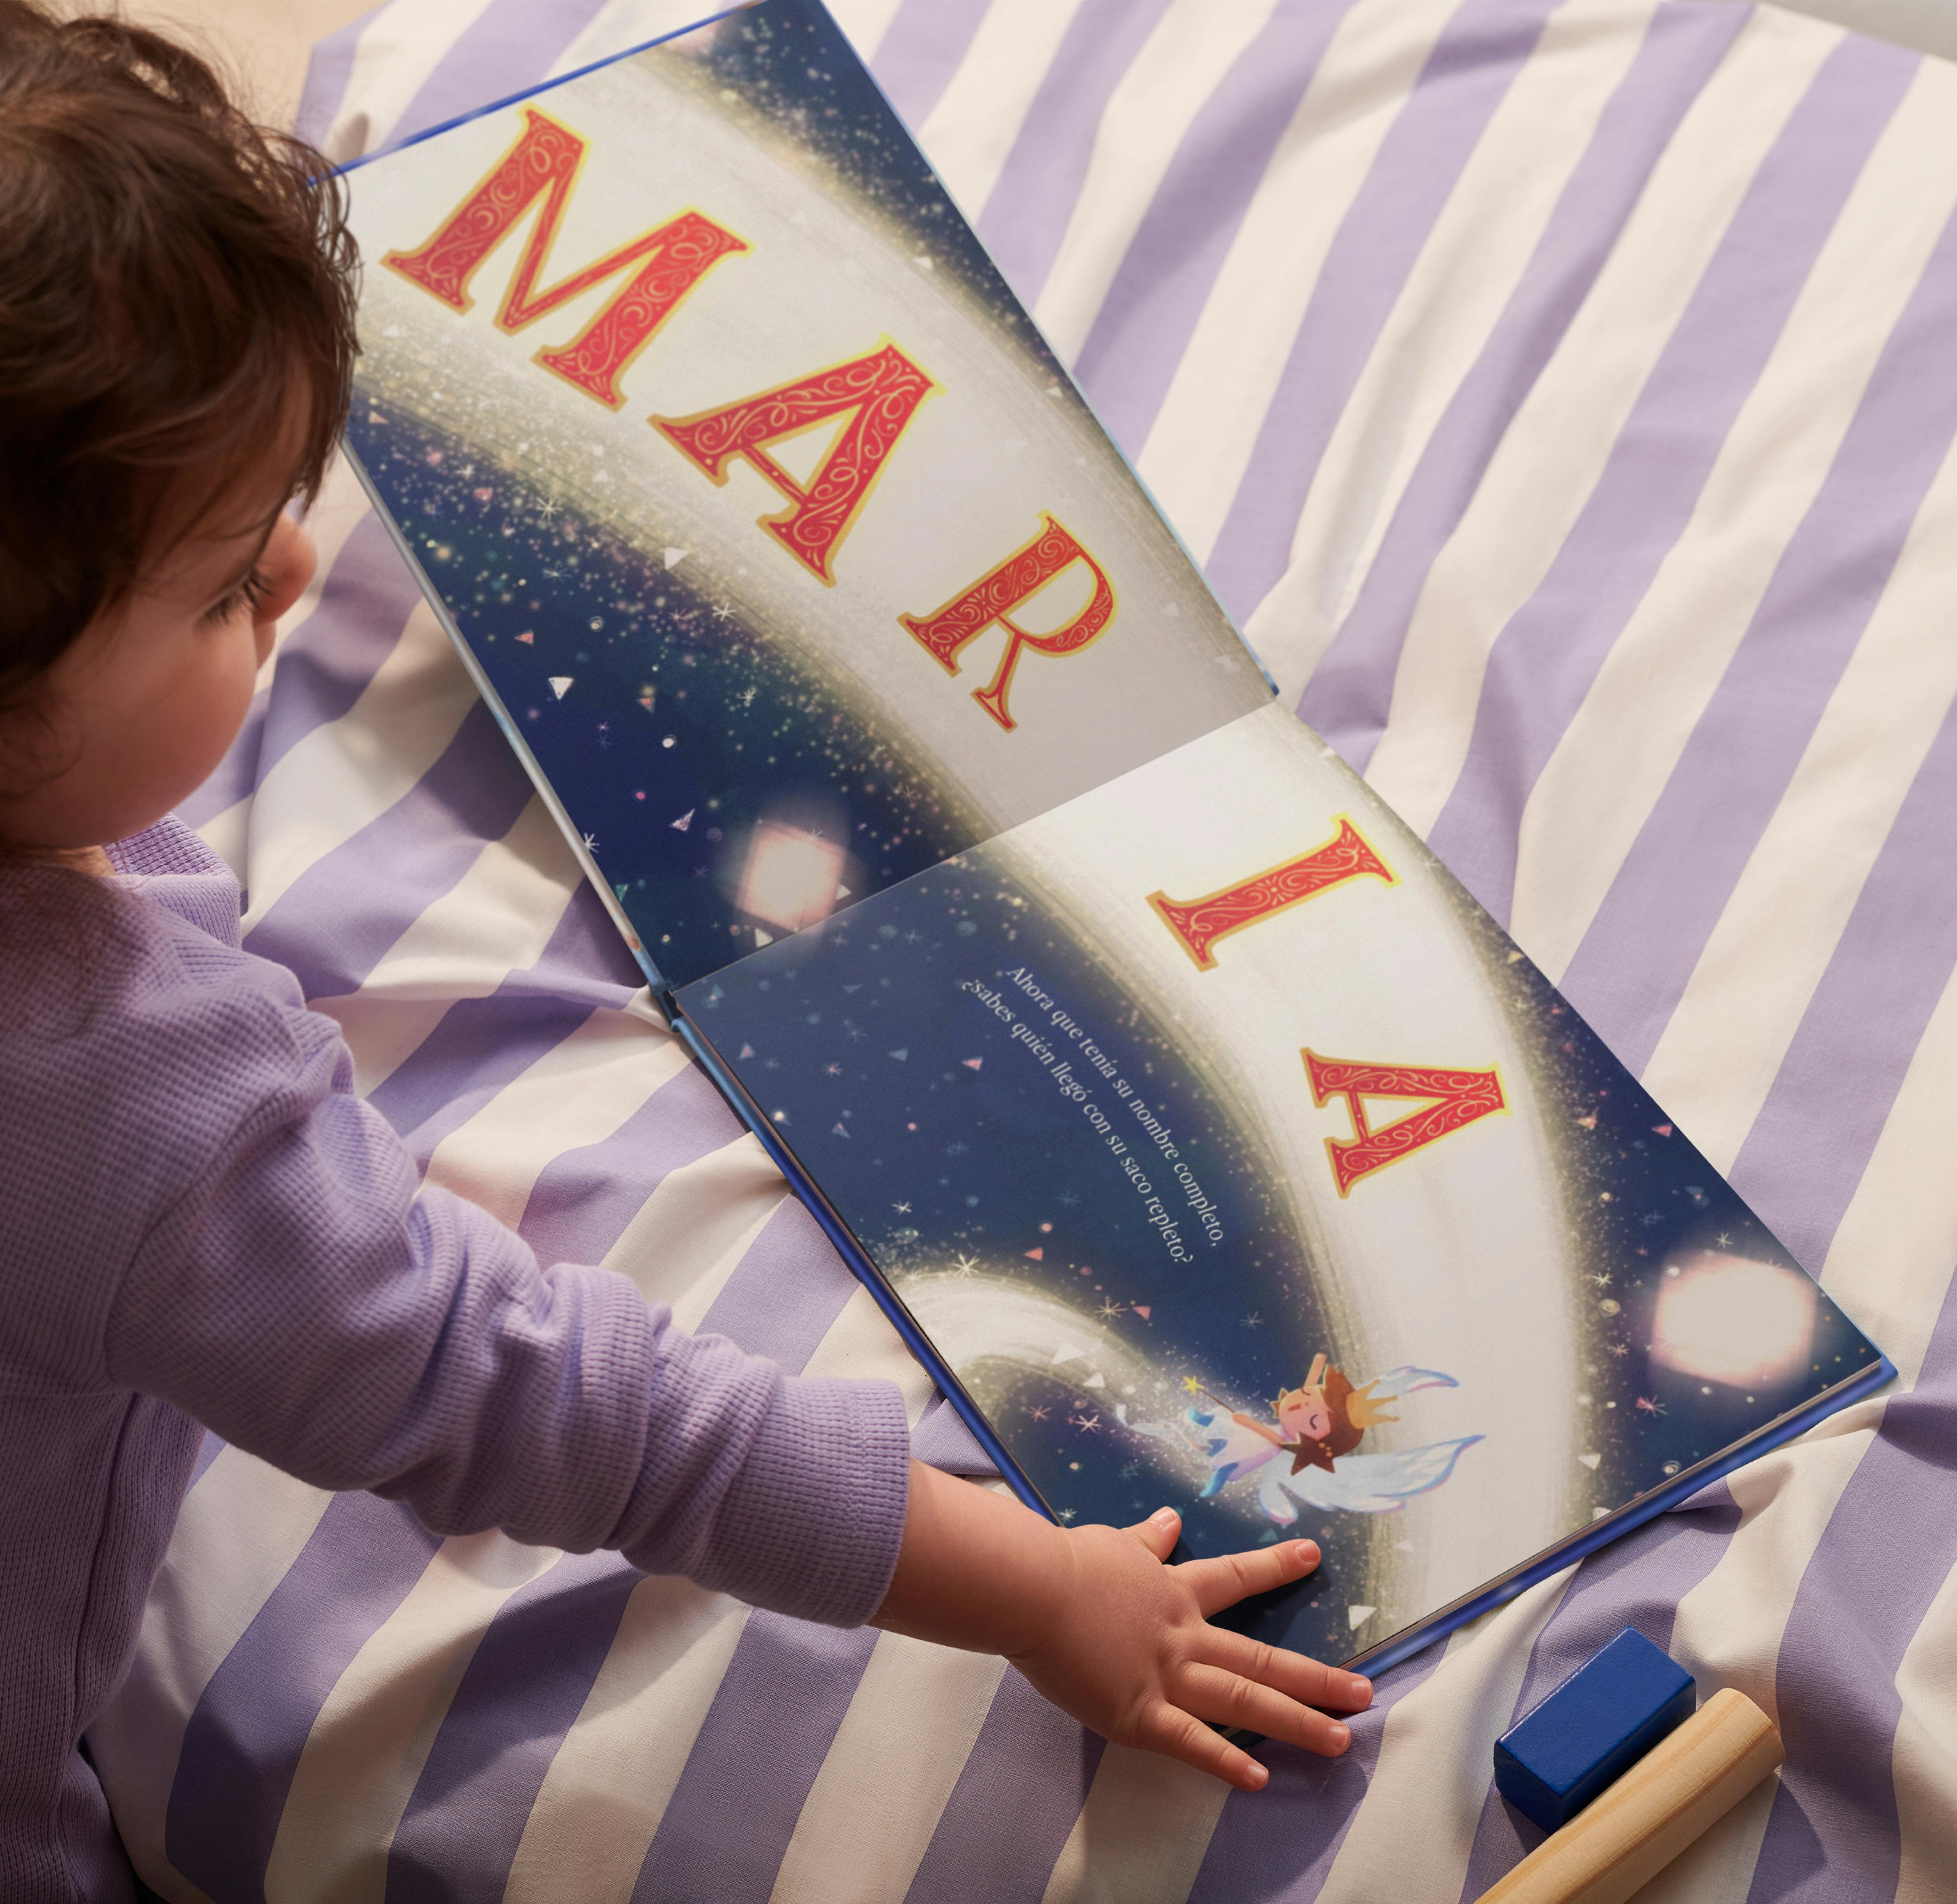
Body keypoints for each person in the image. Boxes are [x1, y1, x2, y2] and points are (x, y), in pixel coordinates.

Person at [0, 5, 1371, 1895]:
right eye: (233, 576)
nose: (304, 577)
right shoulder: (126, 1087)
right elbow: (546, 1396)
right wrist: (1037, 1584)